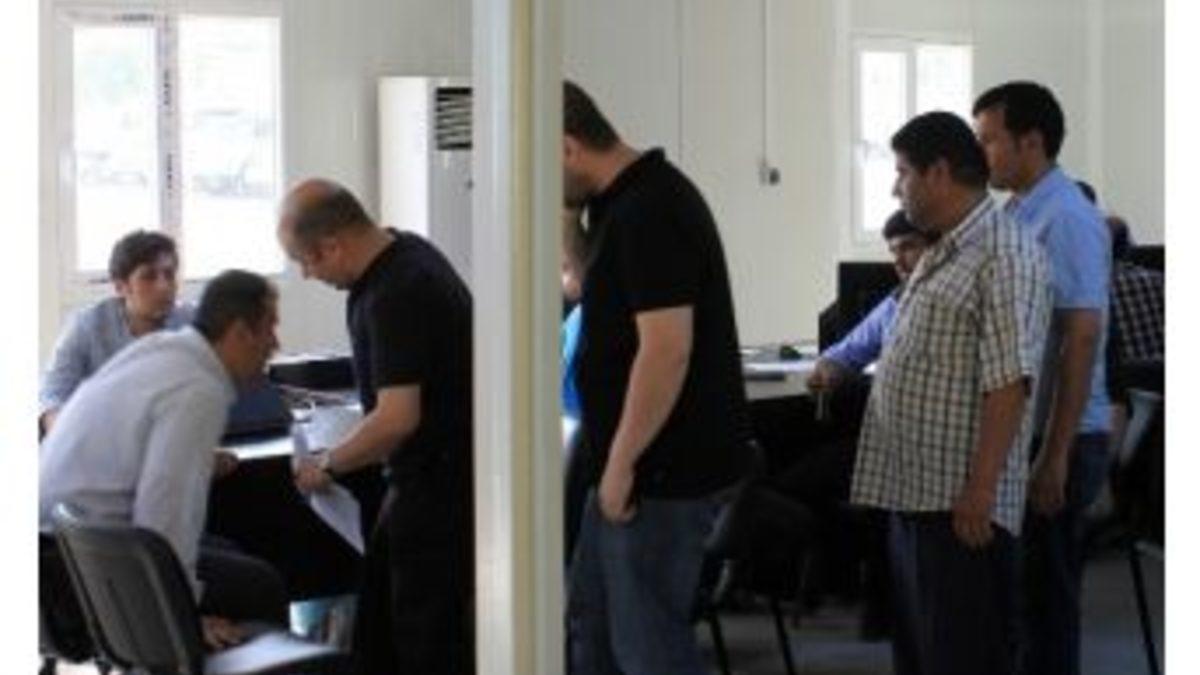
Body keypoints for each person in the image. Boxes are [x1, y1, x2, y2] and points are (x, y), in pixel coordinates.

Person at [850, 111, 1052, 675]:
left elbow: (1008, 382)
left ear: (938, 173)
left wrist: (980, 490)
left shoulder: (1003, 254)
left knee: (962, 654)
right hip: (916, 494)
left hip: (958, 506)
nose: (896, 188)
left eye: (902, 172)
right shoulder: (947, 248)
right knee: (923, 652)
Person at [562, 80, 752, 675]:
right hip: (629, 462)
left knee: (647, 648)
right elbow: (587, 286)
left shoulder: (651, 208)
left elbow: (667, 350)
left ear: (567, 148)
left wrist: (622, 465)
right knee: (593, 630)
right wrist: (566, 215)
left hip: (661, 471)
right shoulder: (614, 203)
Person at [277, 179, 474, 674]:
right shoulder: (409, 255)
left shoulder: (396, 293)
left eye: (306, 261)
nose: (307, 274)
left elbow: (397, 418)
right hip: (426, 481)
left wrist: (326, 464)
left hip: (439, 491)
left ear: (332, 245)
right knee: (380, 632)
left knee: (422, 643)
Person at [39, 270, 287, 649]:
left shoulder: (164, 351)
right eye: (270, 328)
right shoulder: (198, 388)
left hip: (56, 554)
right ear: (240, 332)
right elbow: (165, 512)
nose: (275, 343)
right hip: (75, 575)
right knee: (260, 585)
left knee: (230, 554)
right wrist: (183, 617)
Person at [974, 81, 1111, 675]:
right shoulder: (1019, 210)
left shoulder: (1068, 218)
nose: (979, 153)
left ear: (1030, 142)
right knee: (1023, 597)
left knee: (1045, 603)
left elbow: (1080, 338)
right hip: (1029, 431)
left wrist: (1054, 455)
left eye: (988, 140)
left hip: (1062, 436)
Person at [769, 209, 934, 640]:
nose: (900, 261)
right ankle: (836, 578)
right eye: (894, 252)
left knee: (819, 483)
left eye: (910, 248)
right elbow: (847, 350)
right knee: (794, 478)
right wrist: (829, 366)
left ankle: (855, 589)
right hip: (883, 441)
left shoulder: (943, 304)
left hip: (921, 450)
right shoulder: (896, 302)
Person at [40, 230, 193, 434]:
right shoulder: (86, 327)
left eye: (169, 274)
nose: (164, 286)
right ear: (121, 287)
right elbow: (52, 397)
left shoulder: (192, 323)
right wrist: (69, 439)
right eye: (149, 277)